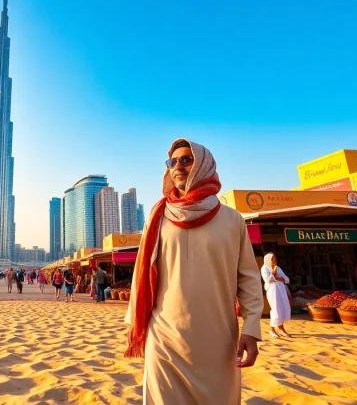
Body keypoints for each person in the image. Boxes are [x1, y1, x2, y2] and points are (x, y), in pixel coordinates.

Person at [124, 138, 263, 405]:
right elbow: (140, 274)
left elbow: (247, 277)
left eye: (186, 160)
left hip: (219, 340)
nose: (178, 166)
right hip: (164, 336)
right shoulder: (158, 217)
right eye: (172, 161)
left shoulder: (232, 219)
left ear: (203, 166)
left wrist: (252, 327)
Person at [261, 252, 291, 338]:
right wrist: (275, 274)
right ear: (268, 260)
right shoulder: (264, 268)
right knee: (276, 309)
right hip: (272, 290)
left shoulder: (279, 268)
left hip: (281, 290)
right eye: (272, 259)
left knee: (282, 308)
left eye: (275, 259)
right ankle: (272, 329)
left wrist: (277, 277)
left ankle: (281, 329)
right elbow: (268, 279)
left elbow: (287, 279)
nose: (274, 261)